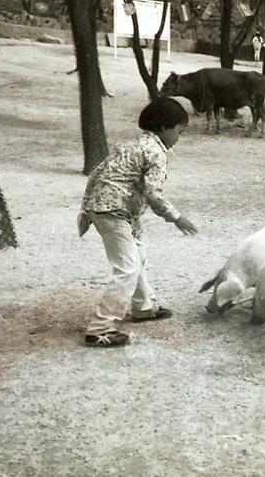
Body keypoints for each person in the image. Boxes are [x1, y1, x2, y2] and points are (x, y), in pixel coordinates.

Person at [77, 97, 198, 347]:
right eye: (179, 131)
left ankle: (144, 307)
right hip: (114, 211)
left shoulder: (135, 144)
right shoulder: (155, 152)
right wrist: (176, 217)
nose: (178, 138)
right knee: (128, 267)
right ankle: (100, 328)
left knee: (137, 256)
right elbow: (153, 193)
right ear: (164, 127)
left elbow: (100, 172)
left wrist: (87, 210)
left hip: (107, 207)